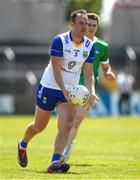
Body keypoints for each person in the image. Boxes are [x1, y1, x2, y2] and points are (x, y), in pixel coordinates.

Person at [17, 9, 98, 173]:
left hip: (69, 92)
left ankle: (55, 162)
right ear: (72, 24)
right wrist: (63, 90)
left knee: (67, 125)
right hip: (49, 87)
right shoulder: (59, 40)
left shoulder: (90, 46)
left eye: (87, 24)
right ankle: (22, 144)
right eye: (81, 23)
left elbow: (88, 72)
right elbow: (56, 68)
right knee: (39, 126)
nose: (85, 27)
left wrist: (89, 92)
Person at [61, 13, 116, 163]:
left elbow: (105, 67)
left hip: (88, 89)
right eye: (88, 24)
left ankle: (64, 153)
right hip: (70, 86)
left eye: (93, 25)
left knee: (76, 121)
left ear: (97, 27)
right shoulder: (76, 42)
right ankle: (63, 149)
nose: (90, 28)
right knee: (66, 122)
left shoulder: (102, 46)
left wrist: (108, 72)